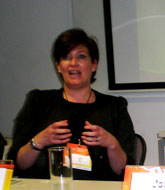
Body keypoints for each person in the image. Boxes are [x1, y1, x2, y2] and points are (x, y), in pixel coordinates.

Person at [7, 28, 135, 181]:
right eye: (67, 57)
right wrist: (39, 141)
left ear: (94, 65)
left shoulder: (115, 107)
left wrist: (112, 144)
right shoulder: (38, 101)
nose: (73, 64)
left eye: (81, 57)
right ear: (59, 66)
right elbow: (18, 164)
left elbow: (125, 171)